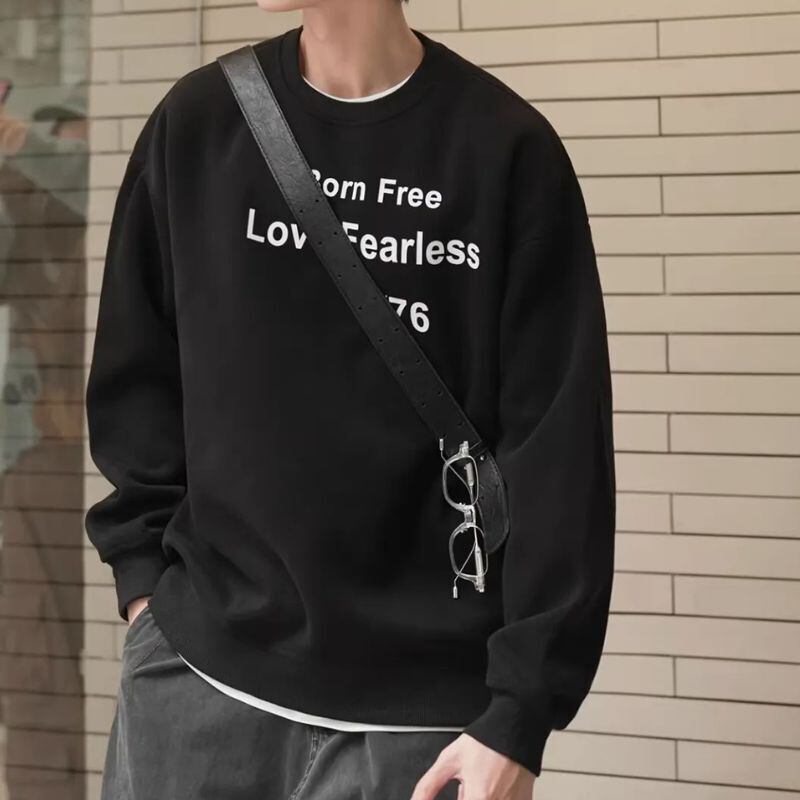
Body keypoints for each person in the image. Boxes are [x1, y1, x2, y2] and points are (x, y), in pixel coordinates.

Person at [86, 0, 616, 798]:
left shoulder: (503, 147)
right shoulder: (200, 123)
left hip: (418, 726)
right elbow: (137, 375)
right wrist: (143, 593)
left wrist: (520, 714)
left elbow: (557, 445)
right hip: (197, 683)